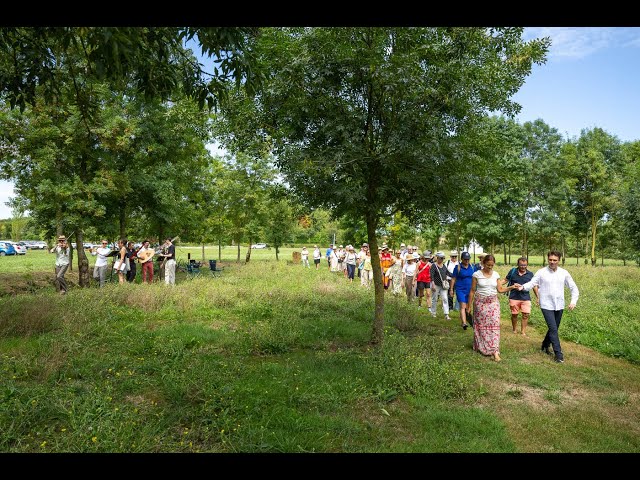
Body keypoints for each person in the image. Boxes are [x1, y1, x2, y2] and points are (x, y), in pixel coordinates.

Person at [517, 250, 579, 363]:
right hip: (546, 304)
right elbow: (532, 282)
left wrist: (573, 301)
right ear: (548, 259)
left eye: (555, 260)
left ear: (559, 261)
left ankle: (545, 345)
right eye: (550, 259)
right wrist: (522, 287)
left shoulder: (564, 273)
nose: (552, 262)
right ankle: (558, 355)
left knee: (553, 328)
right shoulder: (541, 272)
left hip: (559, 304)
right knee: (554, 329)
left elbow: (573, 288)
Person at [467, 254, 518, 362]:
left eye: (492, 265)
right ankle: (481, 346)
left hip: (493, 303)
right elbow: (472, 290)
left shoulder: (496, 275)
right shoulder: (476, 274)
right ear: (483, 263)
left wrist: (511, 287)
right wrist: (468, 306)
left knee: (494, 325)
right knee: (481, 326)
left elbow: (500, 289)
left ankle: (495, 351)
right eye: (488, 265)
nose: (490, 267)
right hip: (480, 303)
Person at [504, 257, 539, 336]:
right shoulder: (513, 271)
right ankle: (514, 329)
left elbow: (534, 286)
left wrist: (538, 297)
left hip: (526, 298)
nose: (523, 267)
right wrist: (496, 284)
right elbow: (505, 280)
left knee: (526, 315)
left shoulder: (530, 274)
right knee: (514, 314)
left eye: (525, 265)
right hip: (514, 297)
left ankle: (523, 332)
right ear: (518, 264)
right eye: (521, 265)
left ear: (527, 265)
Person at [450, 251, 475, 330]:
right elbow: (453, 279)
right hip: (460, 289)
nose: (467, 261)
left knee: (468, 307)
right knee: (462, 306)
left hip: (470, 290)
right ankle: (464, 323)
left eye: (468, 259)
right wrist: (451, 289)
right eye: (465, 259)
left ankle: (466, 321)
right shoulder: (458, 267)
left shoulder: (472, 267)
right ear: (461, 259)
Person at [429, 252, 451, 320]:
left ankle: (446, 314)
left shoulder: (444, 265)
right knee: (434, 299)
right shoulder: (434, 265)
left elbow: (448, 273)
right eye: (441, 258)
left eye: (443, 258)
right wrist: (433, 284)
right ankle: (433, 313)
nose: (442, 259)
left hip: (443, 285)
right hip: (436, 285)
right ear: (437, 258)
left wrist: (456, 275)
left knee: (445, 299)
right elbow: (431, 275)